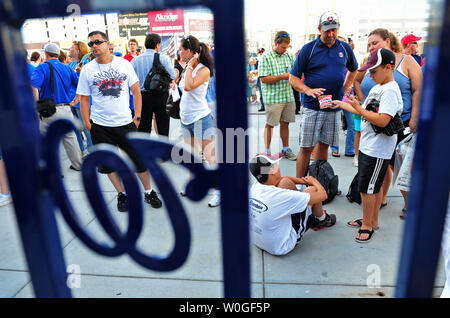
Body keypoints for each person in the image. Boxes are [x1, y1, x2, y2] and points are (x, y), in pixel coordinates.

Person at [76, 31, 163, 212]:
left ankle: (149, 191)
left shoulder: (124, 64)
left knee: (138, 161)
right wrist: (87, 123)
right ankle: (122, 194)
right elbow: (84, 98)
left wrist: (137, 117)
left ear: (108, 44)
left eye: (98, 42)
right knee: (108, 165)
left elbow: (136, 91)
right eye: (91, 43)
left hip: (125, 123)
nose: (94, 46)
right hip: (100, 126)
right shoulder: (87, 69)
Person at [331, 48, 403, 243]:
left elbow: (383, 120)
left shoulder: (389, 90)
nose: (370, 75)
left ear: (388, 67)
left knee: (367, 189)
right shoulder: (379, 87)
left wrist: (358, 110)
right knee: (373, 186)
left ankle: (368, 225)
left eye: (373, 71)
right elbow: (363, 109)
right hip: (368, 146)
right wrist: (340, 103)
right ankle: (372, 219)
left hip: (377, 150)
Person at [354, 28, 423, 218]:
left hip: (401, 122)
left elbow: (418, 89)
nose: (371, 47)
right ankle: (381, 198)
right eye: (369, 44)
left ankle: (411, 204)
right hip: (375, 124)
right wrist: (362, 102)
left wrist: (415, 116)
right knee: (382, 164)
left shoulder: (406, 61)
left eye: (375, 43)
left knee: (402, 166)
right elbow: (356, 80)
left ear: (388, 41)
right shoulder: (371, 63)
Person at [289, 11, 358, 177]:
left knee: (324, 146)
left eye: (334, 29)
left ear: (338, 28)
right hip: (312, 107)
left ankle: (319, 182)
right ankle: (300, 184)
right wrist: (307, 90)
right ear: (319, 29)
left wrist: (347, 85)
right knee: (306, 148)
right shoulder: (308, 49)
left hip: (333, 106)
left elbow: (354, 68)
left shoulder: (345, 48)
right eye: (327, 30)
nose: (331, 33)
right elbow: (293, 78)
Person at [249, 154, 336, 255]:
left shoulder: (255, 187)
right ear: (271, 170)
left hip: (257, 240)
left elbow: (282, 178)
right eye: (276, 164)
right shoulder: (282, 196)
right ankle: (323, 220)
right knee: (312, 190)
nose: (278, 166)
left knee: (284, 182)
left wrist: (303, 181)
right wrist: (314, 181)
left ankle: (311, 214)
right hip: (281, 247)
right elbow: (323, 195)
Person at [178, 35, 220, 207]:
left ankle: (219, 191)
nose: (179, 52)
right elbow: (183, 88)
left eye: (181, 49)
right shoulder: (188, 67)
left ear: (189, 51)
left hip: (201, 117)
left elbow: (188, 86)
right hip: (186, 117)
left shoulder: (203, 70)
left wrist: (189, 66)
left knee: (210, 156)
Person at [30, 43, 83, 172]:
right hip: (66, 108)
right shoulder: (67, 68)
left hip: (48, 110)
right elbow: (80, 85)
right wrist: (76, 100)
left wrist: (36, 106)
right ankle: (78, 165)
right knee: (70, 138)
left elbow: (34, 87)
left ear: (46, 54)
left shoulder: (42, 67)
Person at [259, 31, 297, 160]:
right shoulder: (266, 57)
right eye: (283, 47)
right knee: (270, 124)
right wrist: (283, 76)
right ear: (276, 43)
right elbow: (263, 79)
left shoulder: (289, 56)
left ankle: (286, 149)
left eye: (287, 47)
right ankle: (267, 151)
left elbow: (295, 73)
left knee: (285, 123)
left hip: (287, 96)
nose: (285, 50)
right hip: (273, 97)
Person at [131, 33, 177, 138]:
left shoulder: (135, 60)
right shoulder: (163, 58)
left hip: (143, 96)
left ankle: (144, 150)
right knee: (163, 125)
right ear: (157, 45)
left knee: (143, 126)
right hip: (161, 95)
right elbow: (173, 75)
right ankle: (163, 149)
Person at [330, 36, 356, 158]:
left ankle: (350, 149)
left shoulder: (350, 61)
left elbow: (355, 76)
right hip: (334, 96)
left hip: (347, 97)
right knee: (333, 123)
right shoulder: (330, 61)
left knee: (352, 124)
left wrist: (349, 88)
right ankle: (334, 148)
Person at [68, 40, 93, 155]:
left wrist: (81, 71)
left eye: (72, 48)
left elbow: (90, 82)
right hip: (71, 100)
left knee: (86, 127)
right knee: (75, 129)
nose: (69, 50)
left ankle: (91, 152)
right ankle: (80, 151)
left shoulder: (87, 64)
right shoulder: (71, 64)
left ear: (78, 50)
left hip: (82, 101)